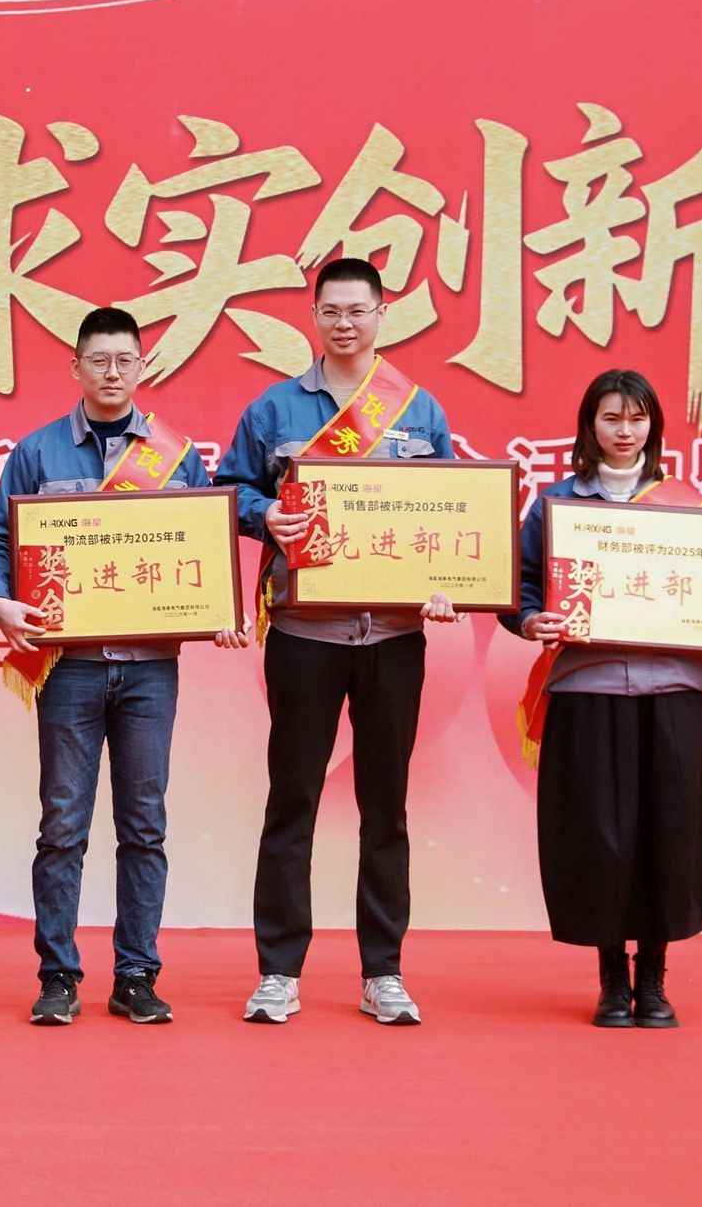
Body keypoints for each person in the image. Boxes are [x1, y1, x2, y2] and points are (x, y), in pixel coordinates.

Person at [0, 306, 251, 1026]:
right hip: (66, 666)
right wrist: (1, 602)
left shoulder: (175, 456)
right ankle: (57, 975)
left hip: (149, 669)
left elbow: (204, 545)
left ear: (141, 366)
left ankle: (135, 974)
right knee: (61, 826)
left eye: (123, 360)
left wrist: (220, 609)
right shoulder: (37, 452)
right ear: (75, 367)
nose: (110, 372)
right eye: (97, 360)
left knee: (144, 825)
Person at [214, 257, 459, 1027]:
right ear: (314, 316)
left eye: (358, 310)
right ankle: (278, 970)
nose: (344, 323)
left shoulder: (417, 410)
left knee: (385, 809)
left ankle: (382, 971)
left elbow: (454, 509)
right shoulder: (275, 408)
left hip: (393, 634)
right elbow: (227, 488)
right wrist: (263, 516)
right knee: (292, 800)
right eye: (331, 311)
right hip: (303, 631)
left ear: (381, 315)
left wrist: (448, 581)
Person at [501, 369, 702, 1028]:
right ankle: (608, 981)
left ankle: (652, 979)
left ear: (653, 425)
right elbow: (518, 586)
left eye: (636, 418)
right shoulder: (554, 504)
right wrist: (529, 620)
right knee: (595, 834)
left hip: (671, 691)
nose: (624, 431)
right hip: (586, 688)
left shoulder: (688, 504)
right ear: (588, 425)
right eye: (610, 418)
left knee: (667, 831)